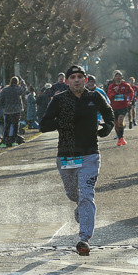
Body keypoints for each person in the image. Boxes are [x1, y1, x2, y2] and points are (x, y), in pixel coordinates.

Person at [40, 65, 114, 256]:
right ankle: (80, 208)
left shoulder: (94, 97)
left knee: (87, 194)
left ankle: (84, 239)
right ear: (67, 81)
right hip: (66, 155)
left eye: (80, 76)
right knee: (73, 193)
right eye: (73, 77)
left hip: (90, 153)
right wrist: (61, 122)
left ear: (85, 79)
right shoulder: (59, 100)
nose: (77, 80)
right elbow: (43, 125)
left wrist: (107, 127)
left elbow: (108, 113)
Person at [106, 72, 133, 146]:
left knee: (120, 120)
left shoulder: (126, 85)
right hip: (114, 107)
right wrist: (115, 91)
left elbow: (131, 93)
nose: (118, 77)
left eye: (119, 76)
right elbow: (109, 96)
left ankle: (121, 136)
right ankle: (120, 139)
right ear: (114, 78)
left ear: (121, 77)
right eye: (116, 76)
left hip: (123, 106)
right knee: (117, 124)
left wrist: (128, 100)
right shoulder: (111, 86)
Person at [0, 77, 25, 147]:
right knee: (15, 126)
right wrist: (22, 82)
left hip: (7, 111)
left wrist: (3, 107)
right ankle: (13, 141)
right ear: (17, 82)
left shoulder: (5, 89)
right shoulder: (18, 89)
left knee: (7, 127)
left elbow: (1, 99)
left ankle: (4, 142)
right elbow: (24, 89)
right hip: (16, 110)